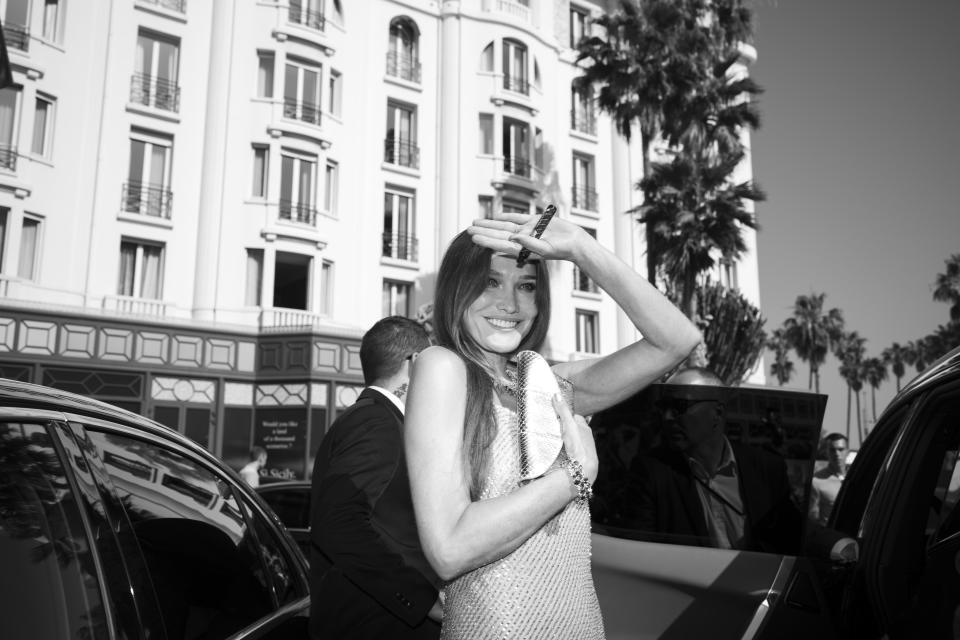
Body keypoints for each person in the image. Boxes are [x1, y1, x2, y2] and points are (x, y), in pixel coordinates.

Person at [404, 213, 701, 638]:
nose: (511, 304)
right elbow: (449, 548)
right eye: (490, 282)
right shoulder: (441, 366)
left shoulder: (547, 382)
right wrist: (573, 476)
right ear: (456, 288)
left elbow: (676, 339)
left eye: (526, 286)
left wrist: (582, 247)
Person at [309, 316, 440, 640]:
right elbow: (339, 523)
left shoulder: (373, 418)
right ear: (413, 364)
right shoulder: (376, 421)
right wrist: (424, 600)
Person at [809, 433, 848, 526]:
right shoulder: (816, 482)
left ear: (847, 451)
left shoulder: (857, 477)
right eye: (832, 450)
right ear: (826, 452)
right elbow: (812, 519)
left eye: (841, 449)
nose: (837, 454)